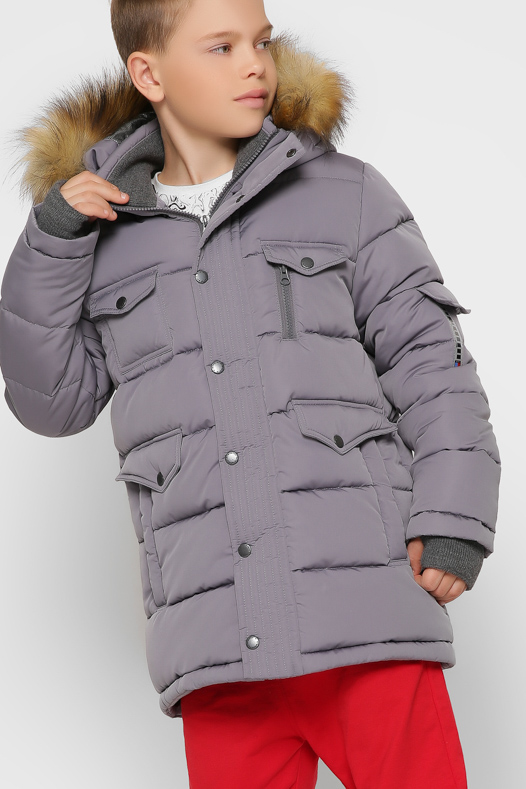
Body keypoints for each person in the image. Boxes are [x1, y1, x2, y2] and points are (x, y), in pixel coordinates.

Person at [0, 0, 501, 786]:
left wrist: (454, 519)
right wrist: (51, 241)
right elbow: (50, 403)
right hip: (218, 643)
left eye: (261, 42)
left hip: (367, 615)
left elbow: (434, 365)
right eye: (221, 46)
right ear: (148, 74)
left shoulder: (344, 194)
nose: (254, 64)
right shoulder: (99, 236)